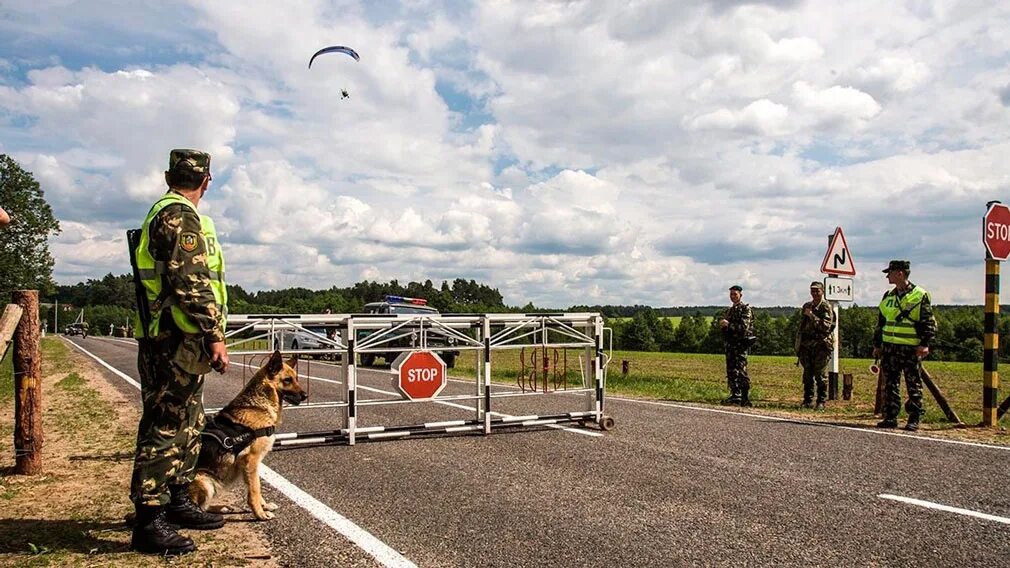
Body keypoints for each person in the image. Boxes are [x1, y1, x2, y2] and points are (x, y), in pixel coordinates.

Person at [129, 149, 230, 555]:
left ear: (169, 175)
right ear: (206, 181)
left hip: (175, 337)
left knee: (189, 420)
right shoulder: (180, 216)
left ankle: (177, 500)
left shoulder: (164, 211)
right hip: (175, 338)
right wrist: (213, 334)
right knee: (167, 424)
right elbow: (191, 281)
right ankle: (150, 519)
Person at [872, 260, 936, 432]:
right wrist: (877, 344)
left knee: (913, 384)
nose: (887, 276)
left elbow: (928, 322)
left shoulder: (919, 295)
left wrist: (925, 344)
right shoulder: (888, 296)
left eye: (890, 272)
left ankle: (914, 418)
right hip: (890, 347)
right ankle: (891, 416)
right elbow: (881, 322)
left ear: (900, 273)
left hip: (910, 348)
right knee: (890, 384)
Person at [796, 281, 836, 410]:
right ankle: (807, 400)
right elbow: (802, 326)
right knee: (807, 374)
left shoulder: (826, 307)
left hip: (821, 345)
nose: (814, 293)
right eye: (812, 291)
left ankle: (821, 401)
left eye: (817, 291)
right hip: (807, 346)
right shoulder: (807, 305)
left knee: (820, 375)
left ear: (822, 291)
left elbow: (825, 327)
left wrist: (812, 316)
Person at [720, 285, 754, 406]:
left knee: (741, 370)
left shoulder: (745, 309)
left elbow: (743, 328)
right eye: (731, 294)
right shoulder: (730, 310)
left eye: (735, 294)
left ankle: (744, 397)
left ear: (740, 295)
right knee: (731, 371)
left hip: (740, 346)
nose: (733, 296)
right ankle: (735, 395)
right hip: (730, 345)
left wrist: (728, 325)